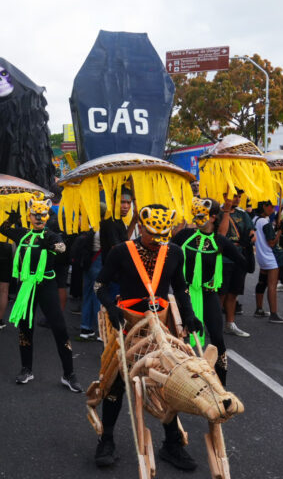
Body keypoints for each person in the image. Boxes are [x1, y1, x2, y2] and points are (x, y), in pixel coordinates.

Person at [94, 204, 203, 471]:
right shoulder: (121, 252)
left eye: (162, 235)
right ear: (140, 227)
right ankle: (106, 439)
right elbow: (100, 285)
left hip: (161, 326)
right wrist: (111, 309)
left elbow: (180, 287)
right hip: (128, 324)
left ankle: (171, 444)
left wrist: (189, 315)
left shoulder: (174, 252)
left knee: (167, 382)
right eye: (152, 234)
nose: (157, 240)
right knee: (116, 381)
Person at [0, 195, 82, 391]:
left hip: (47, 284)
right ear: (29, 215)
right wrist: (11, 219)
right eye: (35, 214)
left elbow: (62, 247)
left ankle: (69, 374)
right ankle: (26, 369)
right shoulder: (23, 234)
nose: (38, 218)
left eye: (42, 214)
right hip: (27, 286)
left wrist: (53, 246)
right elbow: (3, 230)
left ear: (47, 215)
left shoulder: (51, 234)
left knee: (60, 328)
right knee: (25, 328)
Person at [171, 198, 247, 386]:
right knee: (180, 341)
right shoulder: (184, 236)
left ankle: (221, 388)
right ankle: (178, 385)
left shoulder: (220, 242)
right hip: (184, 293)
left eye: (200, 216)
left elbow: (247, 266)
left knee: (218, 340)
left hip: (208, 294)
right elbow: (167, 257)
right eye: (194, 215)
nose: (196, 219)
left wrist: (247, 248)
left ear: (213, 217)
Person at [217, 190, 254, 337]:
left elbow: (252, 233)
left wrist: (249, 239)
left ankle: (230, 324)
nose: (238, 199)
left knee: (233, 293)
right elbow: (221, 234)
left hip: (239, 258)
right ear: (225, 196)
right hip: (223, 259)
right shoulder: (217, 213)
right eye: (234, 196)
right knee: (221, 293)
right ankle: (216, 323)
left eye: (239, 196)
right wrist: (226, 212)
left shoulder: (242, 214)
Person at [253, 201, 283, 324]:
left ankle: (259, 309)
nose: (273, 209)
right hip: (270, 257)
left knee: (262, 282)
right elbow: (271, 242)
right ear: (264, 206)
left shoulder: (255, 219)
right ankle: (274, 314)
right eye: (271, 206)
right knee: (272, 285)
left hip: (261, 255)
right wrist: (279, 231)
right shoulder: (265, 222)